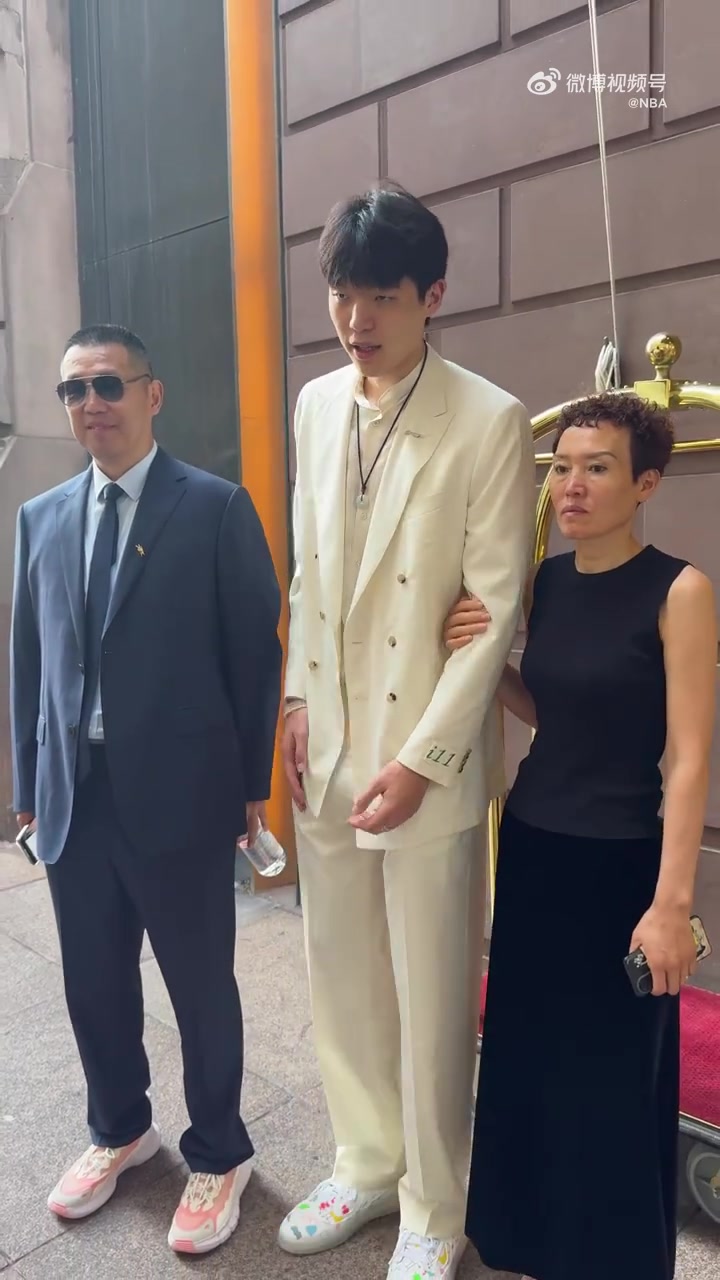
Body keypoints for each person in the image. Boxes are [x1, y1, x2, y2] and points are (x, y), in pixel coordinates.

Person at [278, 184, 536, 1279]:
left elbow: (495, 609)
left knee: (432, 989)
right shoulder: (314, 402)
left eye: (381, 295)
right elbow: (310, 571)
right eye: (342, 294)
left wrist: (427, 760)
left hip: (423, 752)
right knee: (340, 971)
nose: (356, 320)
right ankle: (366, 1159)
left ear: (432, 295)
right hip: (329, 739)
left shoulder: (488, 418)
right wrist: (295, 701)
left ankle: (435, 1202)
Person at [10, 324, 282, 1255]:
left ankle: (220, 1152)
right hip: (75, 796)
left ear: (151, 395)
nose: (91, 404)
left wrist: (249, 786)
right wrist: (29, 785)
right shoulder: (41, 518)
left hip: (182, 797)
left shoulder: (213, 507)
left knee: (199, 984)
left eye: (108, 385)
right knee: (92, 980)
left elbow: (254, 654)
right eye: (74, 390)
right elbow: (28, 659)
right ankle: (120, 1127)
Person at [443, 392, 717, 1280]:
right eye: (561, 467)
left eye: (597, 468)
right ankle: (531, 1244)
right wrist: (488, 663)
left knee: (612, 1077)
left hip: (621, 868)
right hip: (534, 848)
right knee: (530, 1058)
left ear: (645, 484)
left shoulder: (680, 590)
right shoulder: (549, 582)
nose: (572, 485)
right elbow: (553, 712)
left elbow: (688, 759)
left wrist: (672, 905)